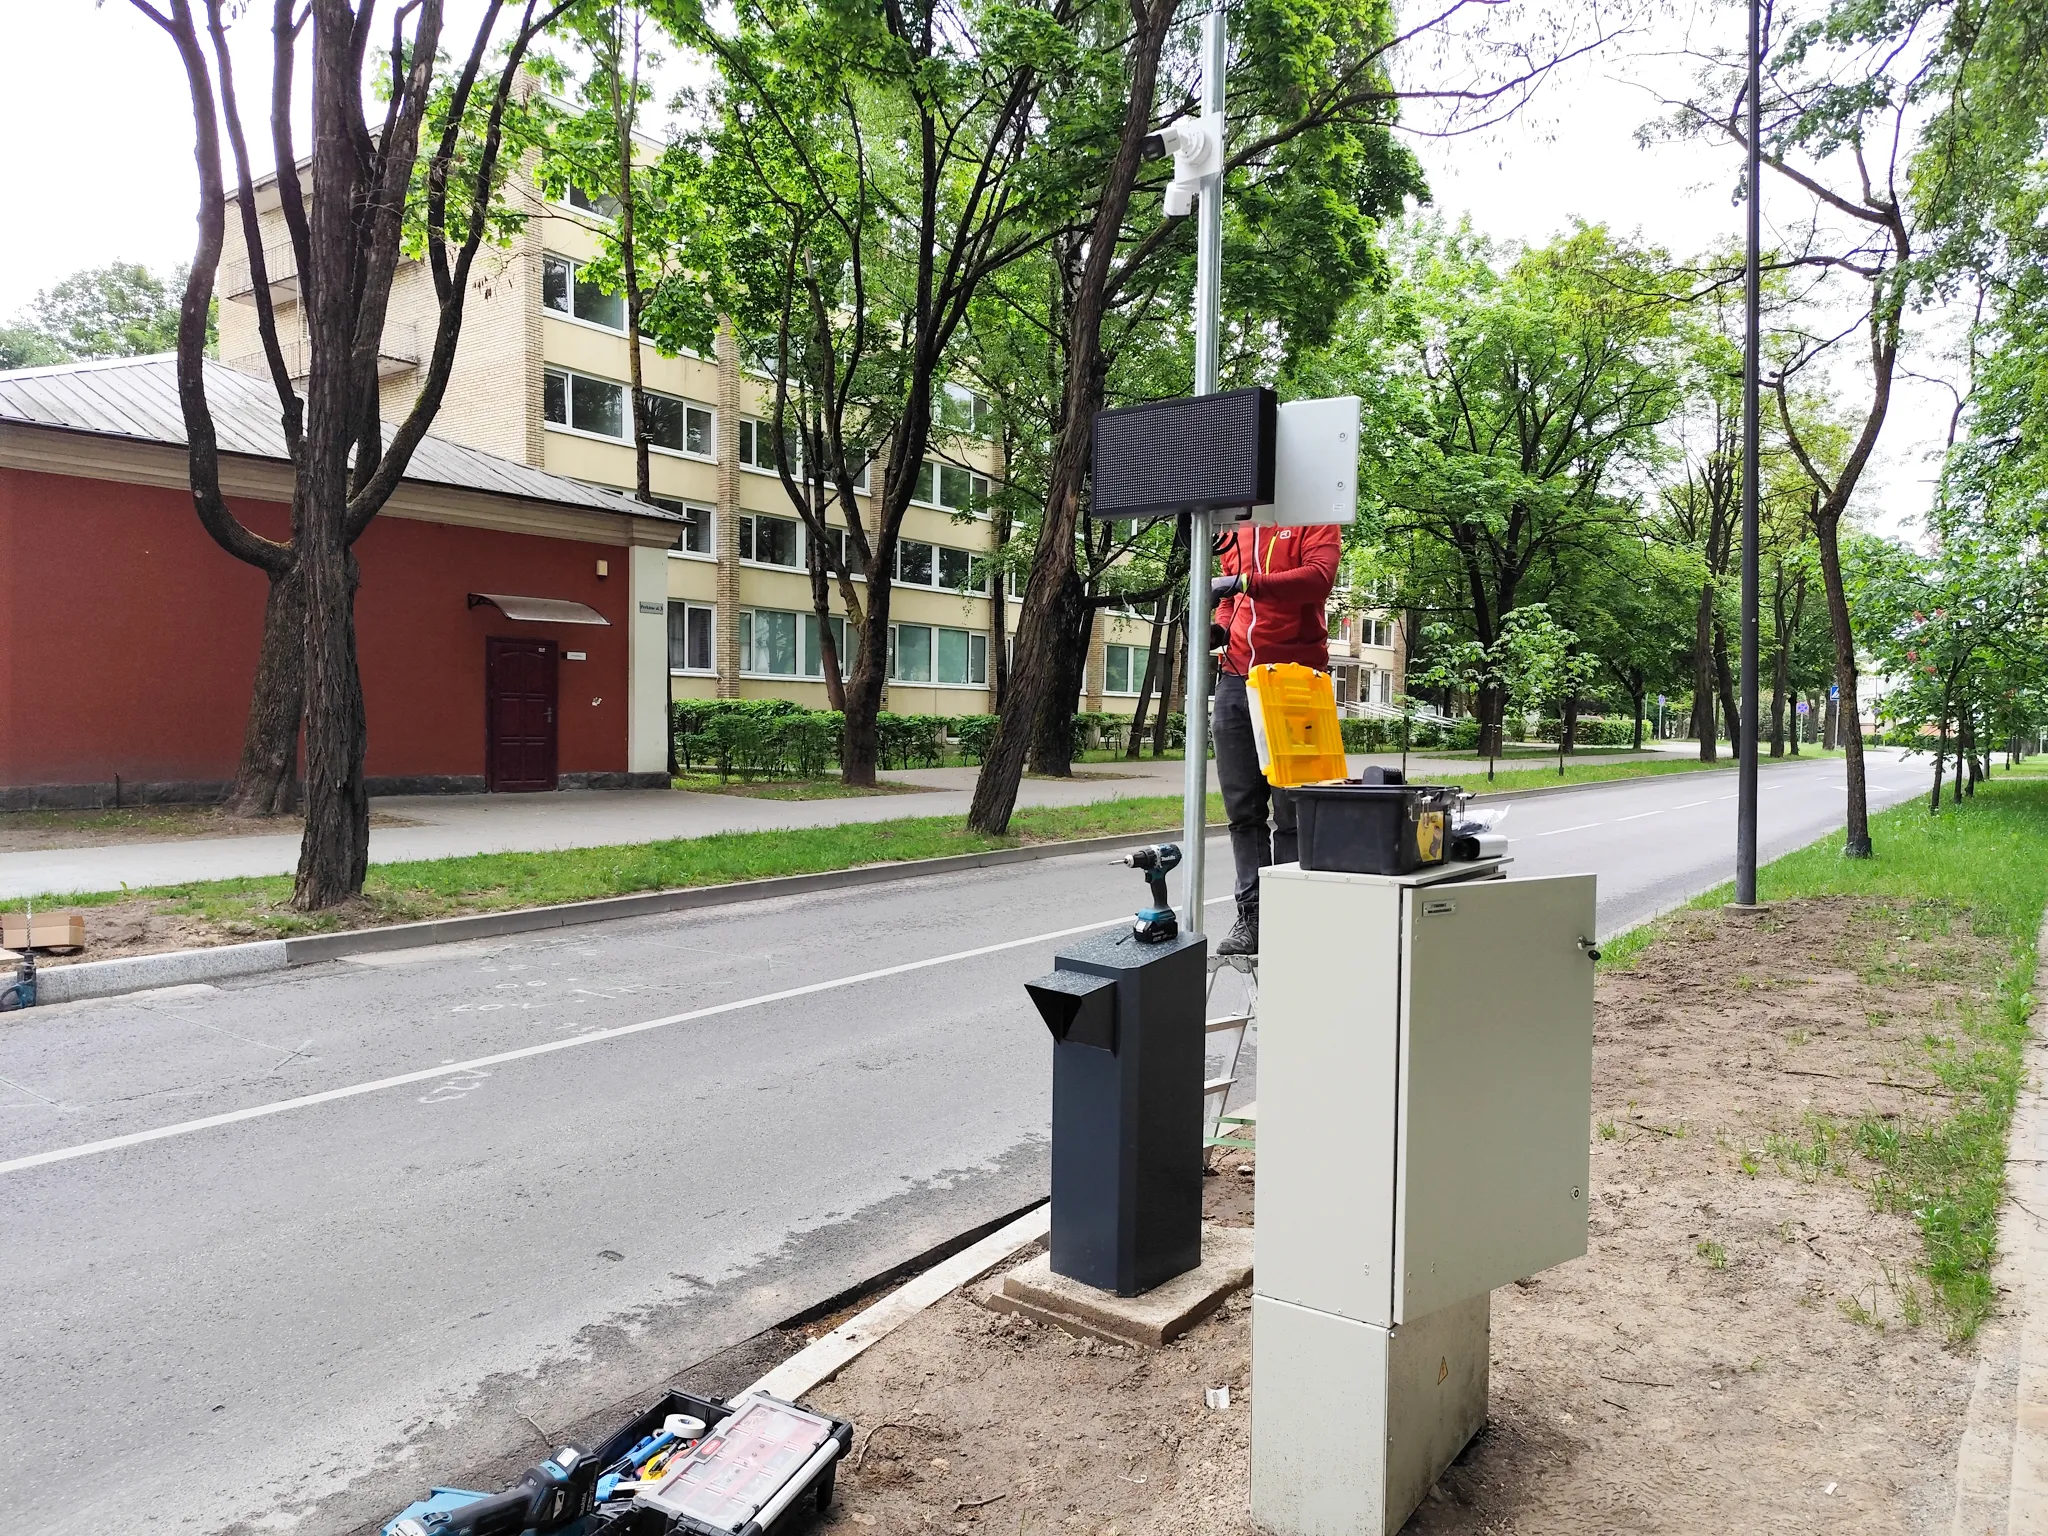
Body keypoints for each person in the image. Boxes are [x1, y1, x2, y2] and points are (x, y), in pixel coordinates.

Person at [1209, 520, 1342, 956]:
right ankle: (1252, 917)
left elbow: (1318, 579)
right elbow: (1232, 598)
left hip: (1293, 677)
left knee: (1291, 809)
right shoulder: (1241, 528)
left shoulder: (1314, 518)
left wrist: (1245, 580)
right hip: (1235, 677)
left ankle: (1289, 913)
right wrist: (1221, 626)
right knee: (1242, 811)